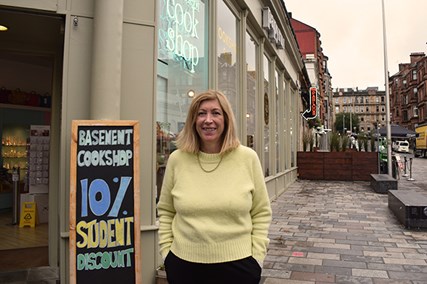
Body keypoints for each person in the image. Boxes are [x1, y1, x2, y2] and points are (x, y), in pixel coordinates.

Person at [157, 90, 272, 284]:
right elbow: (166, 211)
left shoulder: (247, 158)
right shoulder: (178, 159)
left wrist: (257, 259)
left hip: (239, 267)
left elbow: (261, 212)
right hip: (183, 266)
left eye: (216, 113)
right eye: (201, 113)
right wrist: (167, 254)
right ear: (193, 120)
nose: (208, 120)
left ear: (226, 119)